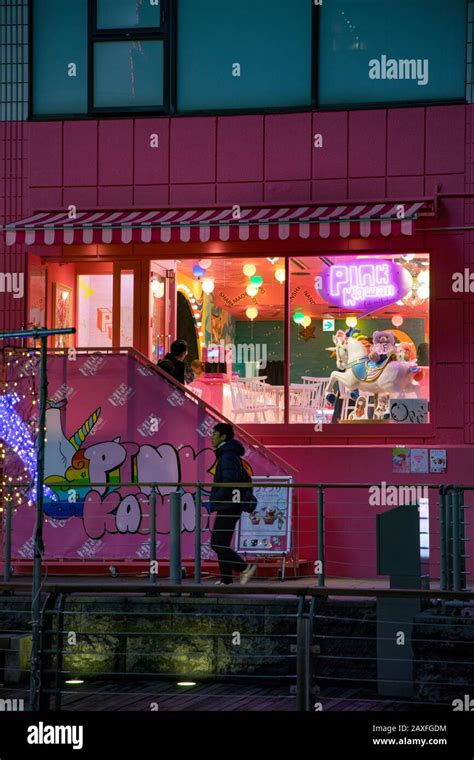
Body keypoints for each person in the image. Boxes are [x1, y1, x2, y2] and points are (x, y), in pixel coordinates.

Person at [209, 423, 257, 586]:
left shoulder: (227, 455)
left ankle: (244, 567)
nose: (211, 437)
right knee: (221, 543)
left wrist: (215, 499)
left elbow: (229, 482)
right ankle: (226, 579)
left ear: (223, 437)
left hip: (228, 505)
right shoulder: (228, 454)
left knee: (216, 543)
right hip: (230, 505)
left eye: (214, 434)